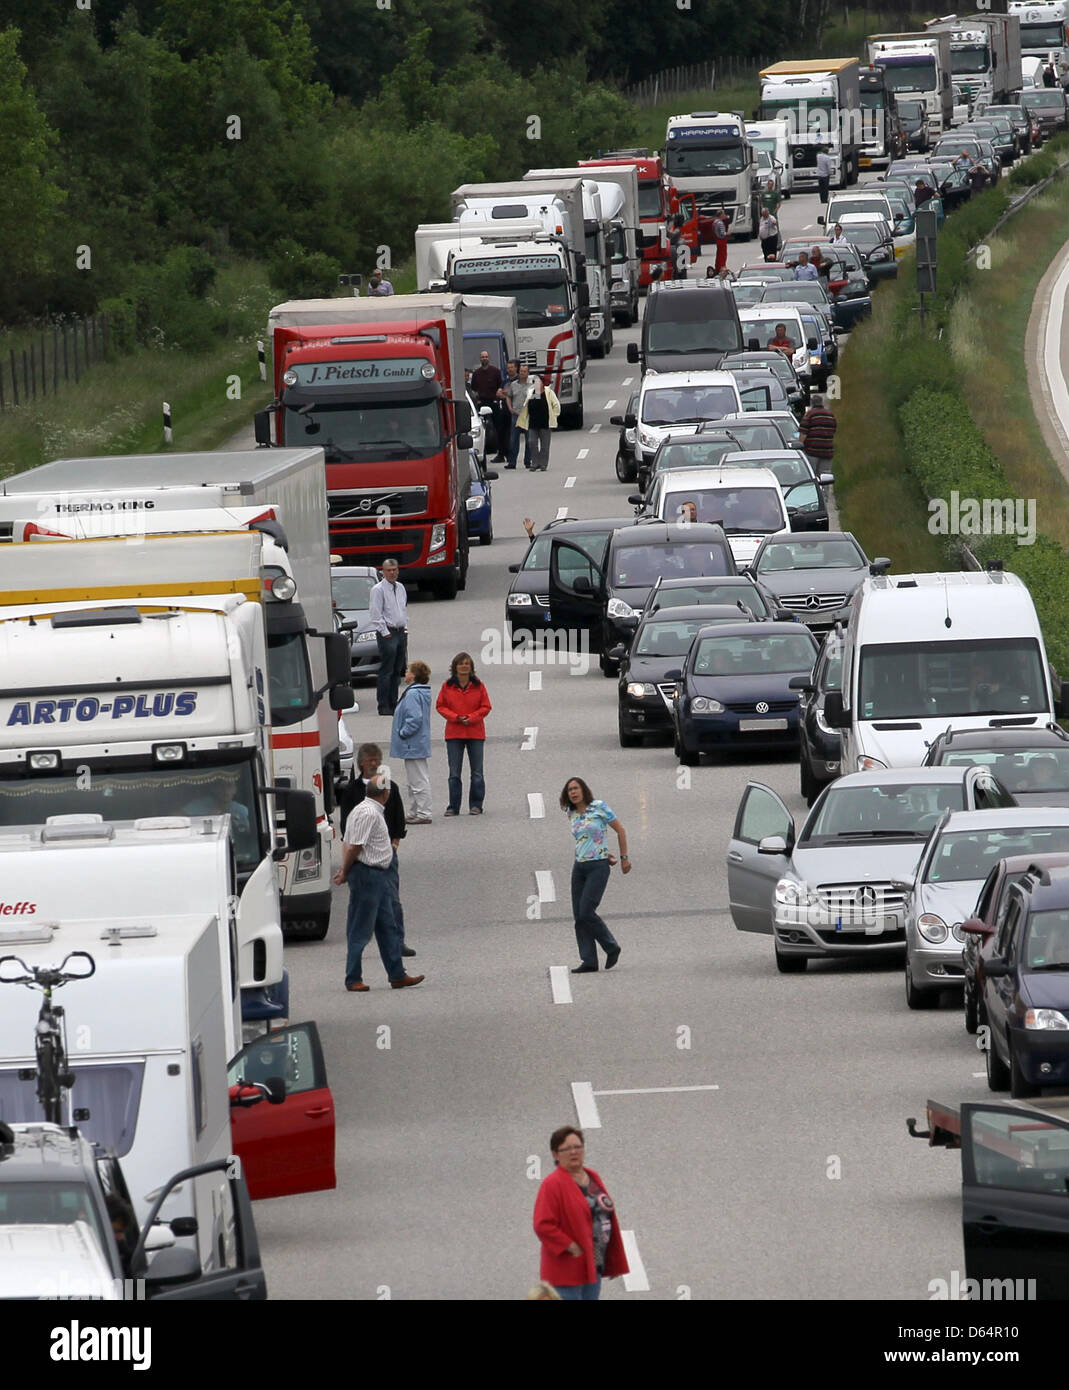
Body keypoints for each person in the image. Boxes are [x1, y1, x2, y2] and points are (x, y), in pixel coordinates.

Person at [333, 774, 424, 991]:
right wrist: (345, 871)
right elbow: (354, 846)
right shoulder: (368, 814)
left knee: (387, 926)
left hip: (378, 875)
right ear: (385, 794)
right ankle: (353, 978)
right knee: (360, 928)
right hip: (367, 875)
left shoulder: (366, 810)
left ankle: (397, 974)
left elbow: (349, 842)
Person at [532, 1126, 629, 1301]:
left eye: (577, 1147)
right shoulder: (552, 1184)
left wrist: (611, 1260)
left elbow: (604, 1214)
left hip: (592, 1264)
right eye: (566, 1149)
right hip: (566, 1269)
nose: (574, 1152)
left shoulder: (592, 1176)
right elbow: (543, 1224)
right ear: (555, 1154)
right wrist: (570, 1246)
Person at [338, 743, 416, 957]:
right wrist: (348, 857)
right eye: (370, 760)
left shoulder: (390, 787)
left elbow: (398, 820)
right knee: (360, 903)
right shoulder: (351, 791)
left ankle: (398, 943)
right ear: (361, 763)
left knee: (392, 900)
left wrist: (394, 845)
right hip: (360, 857)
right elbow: (346, 825)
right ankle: (357, 946)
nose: (374, 764)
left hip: (386, 855)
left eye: (377, 760)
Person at [561, 777, 630, 973]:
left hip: (598, 867)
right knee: (579, 916)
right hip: (579, 866)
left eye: (576, 788)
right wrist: (602, 849)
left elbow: (620, 830)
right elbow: (585, 838)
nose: (573, 792)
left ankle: (611, 946)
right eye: (569, 790)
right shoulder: (571, 812)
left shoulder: (598, 807)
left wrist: (624, 858)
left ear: (584, 789)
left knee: (586, 911)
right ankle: (589, 960)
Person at [436, 652, 491, 815]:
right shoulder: (447, 686)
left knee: (477, 773)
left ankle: (476, 804)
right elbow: (440, 706)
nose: (464, 666)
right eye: (461, 664)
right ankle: (453, 806)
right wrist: (456, 717)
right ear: (455, 667)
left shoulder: (479, 685)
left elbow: (486, 706)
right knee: (454, 773)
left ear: (471, 667)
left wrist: (472, 717)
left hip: (475, 732)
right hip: (454, 733)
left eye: (467, 663)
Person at [390, 661, 433, 824]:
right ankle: (415, 810)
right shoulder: (416, 692)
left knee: (418, 779)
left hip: (412, 743)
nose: (406, 673)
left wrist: (403, 732)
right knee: (414, 779)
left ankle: (423, 812)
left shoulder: (413, 694)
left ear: (414, 675)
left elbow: (414, 718)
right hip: (414, 743)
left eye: (408, 671)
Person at [369, 558, 408, 716]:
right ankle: (384, 705)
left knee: (398, 669)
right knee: (387, 670)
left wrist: (405, 627)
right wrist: (385, 632)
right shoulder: (378, 590)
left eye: (394, 570)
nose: (392, 573)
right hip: (388, 633)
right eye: (389, 570)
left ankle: (394, 702)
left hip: (400, 632)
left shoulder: (401, 588)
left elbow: (403, 609)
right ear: (383, 572)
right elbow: (375, 614)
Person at [516, 372, 560, 471]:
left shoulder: (548, 393)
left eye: (538, 382)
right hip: (533, 422)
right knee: (532, 442)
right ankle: (535, 463)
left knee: (545, 445)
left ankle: (543, 464)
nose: (536, 384)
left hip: (545, 422)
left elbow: (556, 405)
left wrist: (554, 416)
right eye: (534, 382)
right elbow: (527, 405)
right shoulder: (532, 393)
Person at [471, 350, 506, 462]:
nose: (484, 358)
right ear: (480, 359)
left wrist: (498, 397)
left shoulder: (495, 371)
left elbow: (501, 385)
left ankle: (501, 453)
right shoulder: (476, 373)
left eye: (486, 356)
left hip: (494, 403)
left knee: (498, 428)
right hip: (482, 403)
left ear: (489, 358)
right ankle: (483, 451)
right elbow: (473, 389)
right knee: (482, 429)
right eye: (482, 357)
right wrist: (477, 400)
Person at [503, 362, 534, 469]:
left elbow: (536, 399)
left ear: (528, 373)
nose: (522, 373)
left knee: (529, 439)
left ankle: (528, 461)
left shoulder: (532, 386)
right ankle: (512, 462)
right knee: (513, 439)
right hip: (516, 415)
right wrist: (510, 408)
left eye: (524, 372)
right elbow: (508, 396)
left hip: (527, 416)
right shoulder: (513, 385)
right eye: (521, 371)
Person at [799, 393, 837, 470]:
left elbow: (803, 433)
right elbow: (833, 430)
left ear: (812, 403)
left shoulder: (809, 414)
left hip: (812, 451)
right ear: (821, 402)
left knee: (813, 475)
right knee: (825, 476)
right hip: (827, 451)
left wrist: (799, 447)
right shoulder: (830, 415)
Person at [106, 1193, 138, 1279]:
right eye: (116, 1231)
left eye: (122, 1232)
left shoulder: (128, 1258)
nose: (120, 1238)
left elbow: (138, 1291)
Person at [711, 205, 729, 276]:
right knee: (722, 255)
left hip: (718, 240)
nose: (724, 215)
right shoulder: (720, 223)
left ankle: (718, 267)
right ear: (721, 215)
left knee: (718, 255)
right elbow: (722, 233)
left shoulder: (715, 222)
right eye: (723, 214)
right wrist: (727, 233)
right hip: (722, 240)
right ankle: (722, 267)